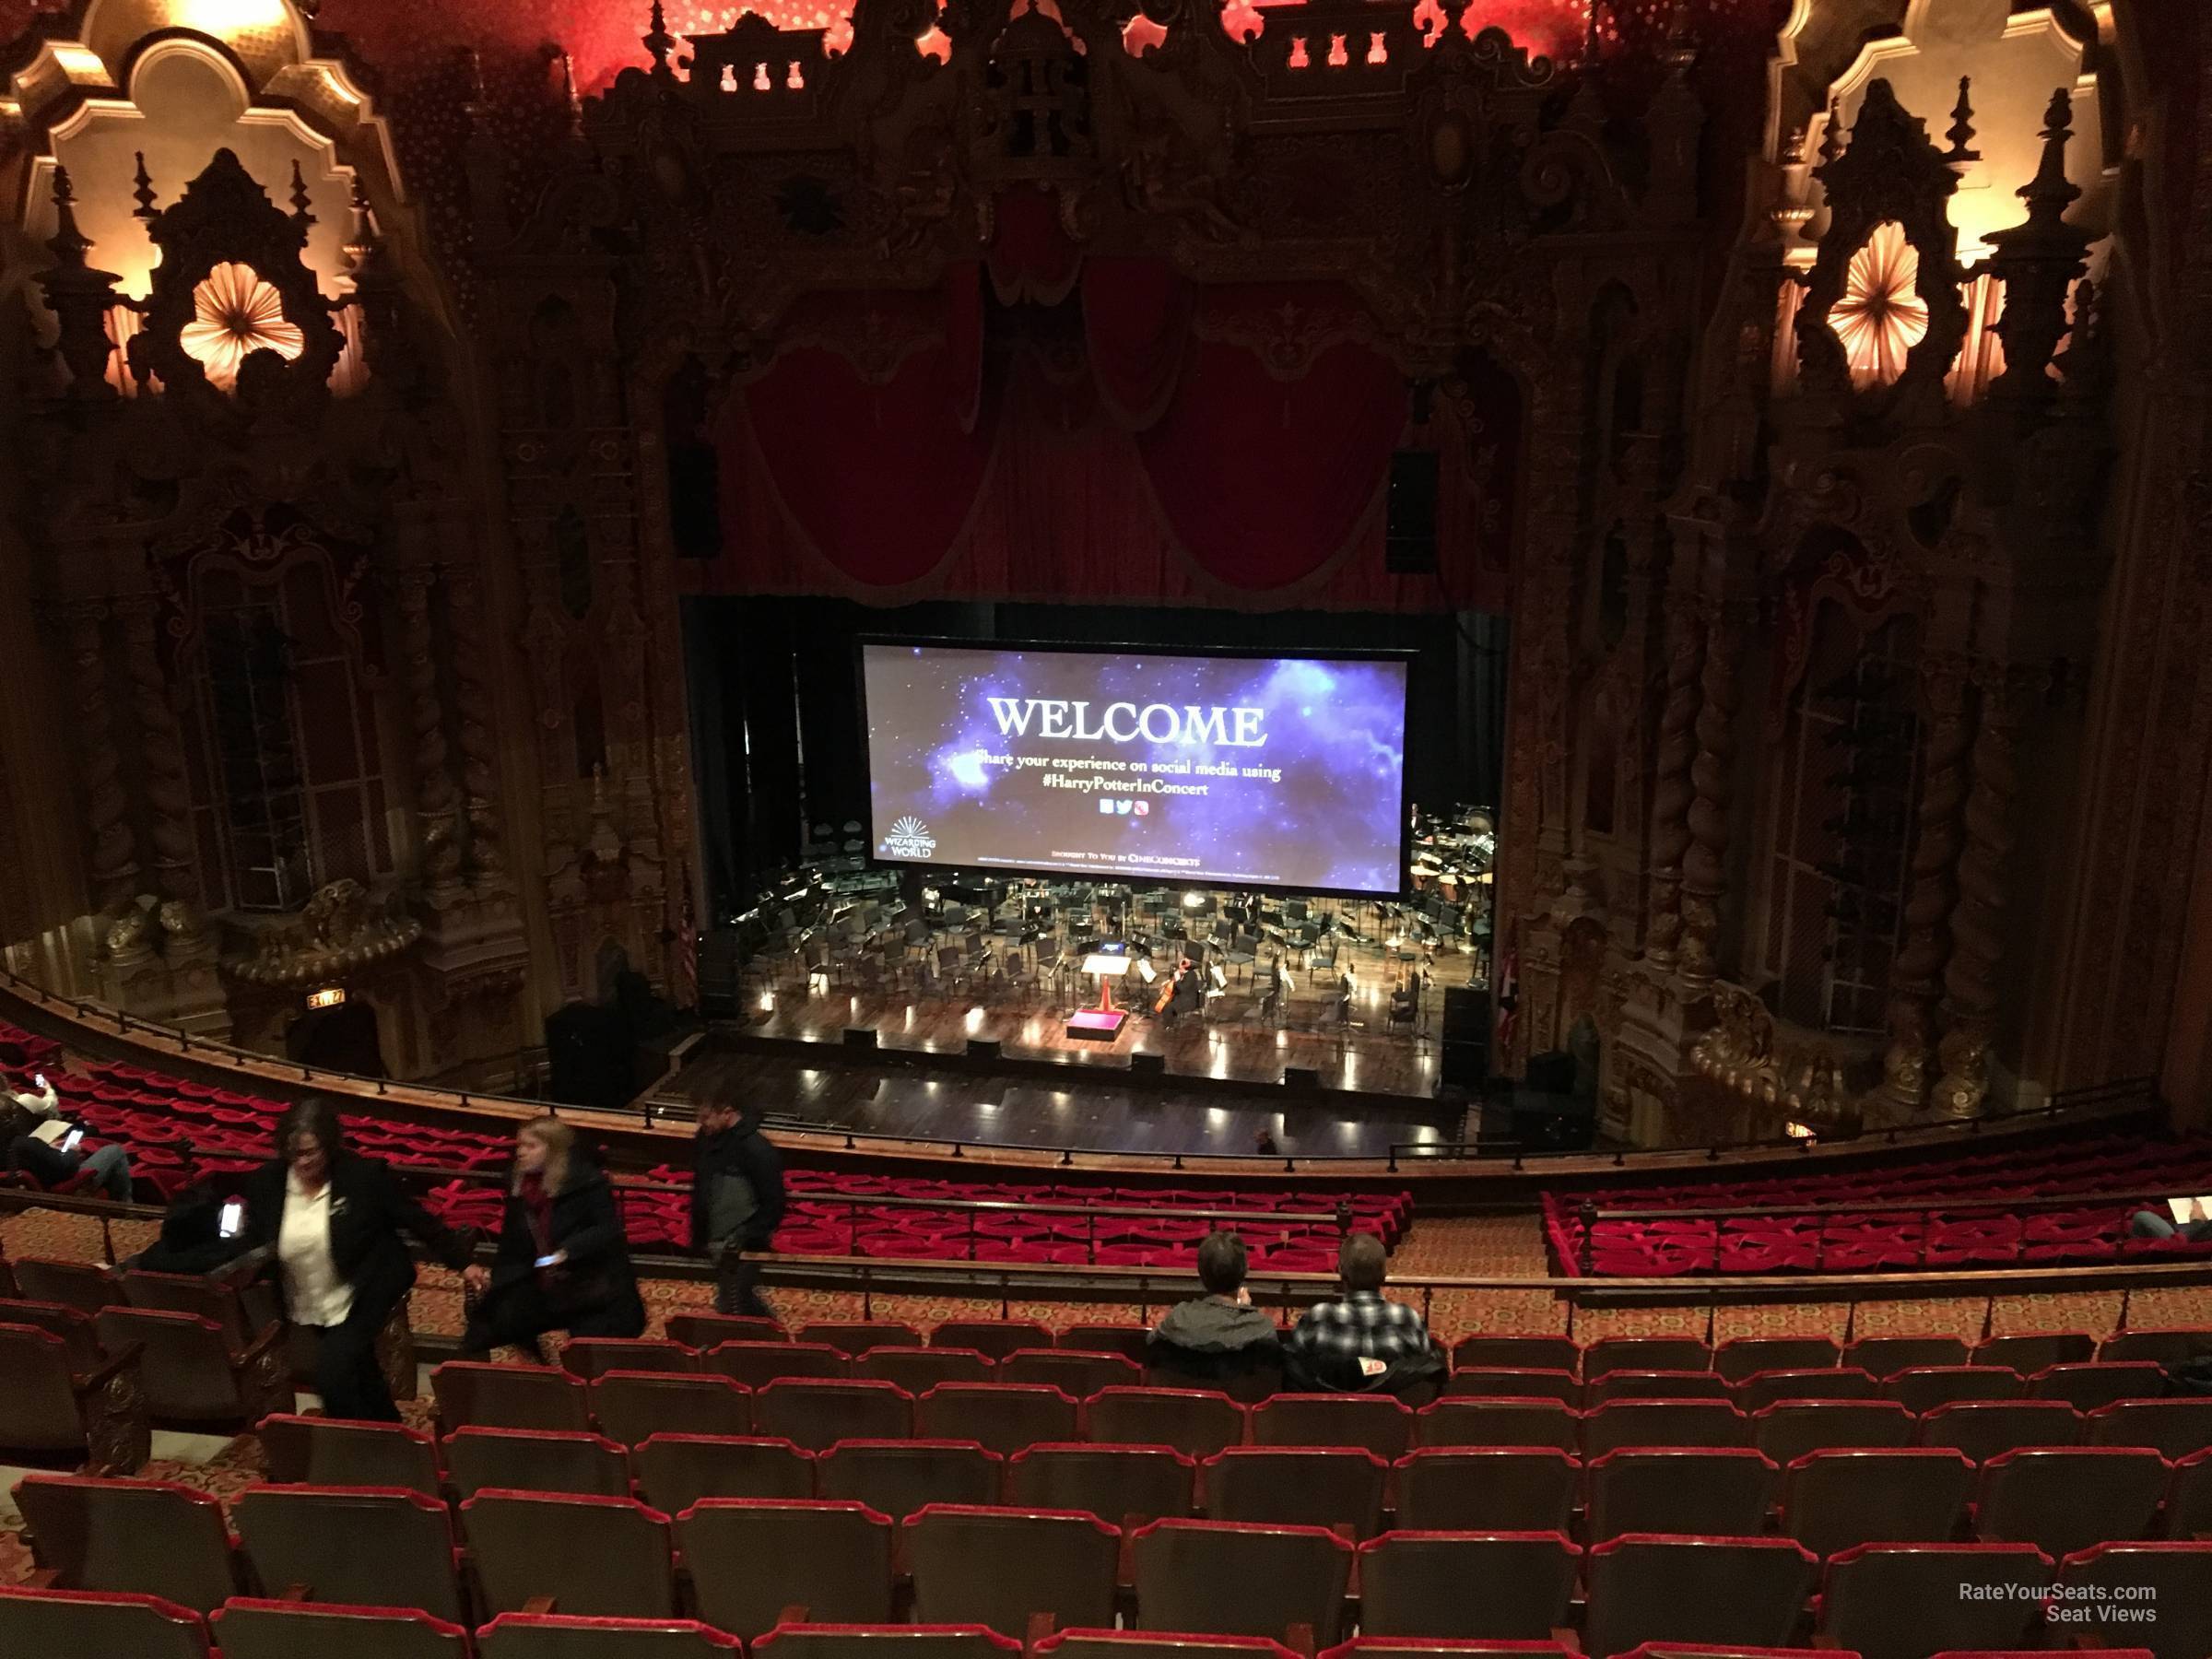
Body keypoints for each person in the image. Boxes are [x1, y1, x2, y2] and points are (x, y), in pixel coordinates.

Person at [237, 1096, 476, 1421]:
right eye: (294, 1153)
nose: (302, 1162)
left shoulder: (362, 1176)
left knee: (333, 1375)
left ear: (329, 1145)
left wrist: (463, 1262)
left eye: (310, 1152)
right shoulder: (268, 1182)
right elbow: (256, 1236)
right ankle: (387, 1426)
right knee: (359, 1367)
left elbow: (415, 1219)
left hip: (365, 1287)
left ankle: (352, 1447)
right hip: (310, 1295)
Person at [459, 1116, 645, 1357]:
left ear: (553, 1149)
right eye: (519, 1146)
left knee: (591, 1356)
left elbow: (606, 1230)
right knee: (484, 1331)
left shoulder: (587, 1181)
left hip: (591, 1284)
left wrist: (566, 1251)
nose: (521, 1153)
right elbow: (512, 1244)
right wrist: (499, 1282)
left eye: (531, 1146)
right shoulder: (519, 1185)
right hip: (542, 1282)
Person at [1282, 1231, 1445, 1396]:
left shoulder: (1317, 1318)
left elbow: (1292, 1370)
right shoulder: (1407, 1319)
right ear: (1383, 1275)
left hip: (1325, 1419)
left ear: (1340, 1272)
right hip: (1391, 1420)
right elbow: (1427, 1372)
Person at [1147, 1230, 1282, 1390]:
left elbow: (1151, 1344)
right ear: (1244, 1271)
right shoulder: (1262, 1329)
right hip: (1239, 1411)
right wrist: (1243, 1309)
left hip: (1182, 1411)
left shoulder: (1177, 1319)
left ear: (1201, 1273)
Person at [691, 1099, 786, 1317]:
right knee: (737, 1298)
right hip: (718, 1238)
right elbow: (703, 1187)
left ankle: (760, 1341)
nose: (700, 1123)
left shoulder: (757, 1149)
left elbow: (774, 1202)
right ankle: (770, 1334)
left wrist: (745, 1234)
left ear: (727, 1113)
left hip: (743, 1242)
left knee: (733, 1302)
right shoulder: (705, 1141)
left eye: (706, 1117)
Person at [1, 1085, 133, 1202]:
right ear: (8, 1121)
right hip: (61, 1185)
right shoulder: (24, 1144)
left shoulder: (16, 1144)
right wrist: (71, 1150)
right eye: (14, 1115)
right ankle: (126, 1208)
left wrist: (47, 1148)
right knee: (115, 1151)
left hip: (35, 1180)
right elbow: (66, 1168)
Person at [2131, 1197, 2212, 1241]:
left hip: (2180, 1240)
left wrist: (2197, 1220)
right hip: (2194, 1229)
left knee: (2142, 1216)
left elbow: (2181, 1240)